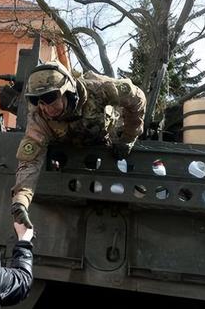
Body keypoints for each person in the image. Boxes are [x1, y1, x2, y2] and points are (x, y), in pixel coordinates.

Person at [11, 62, 146, 226]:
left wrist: (128, 138)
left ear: (67, 91)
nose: (46, 108)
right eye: (38, 101)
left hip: (103, 139)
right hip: (67, 147)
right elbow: (30, 160)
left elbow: (137, 97)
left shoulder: (100, 89)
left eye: (51, 99)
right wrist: (21, 202)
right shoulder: (39, 116)